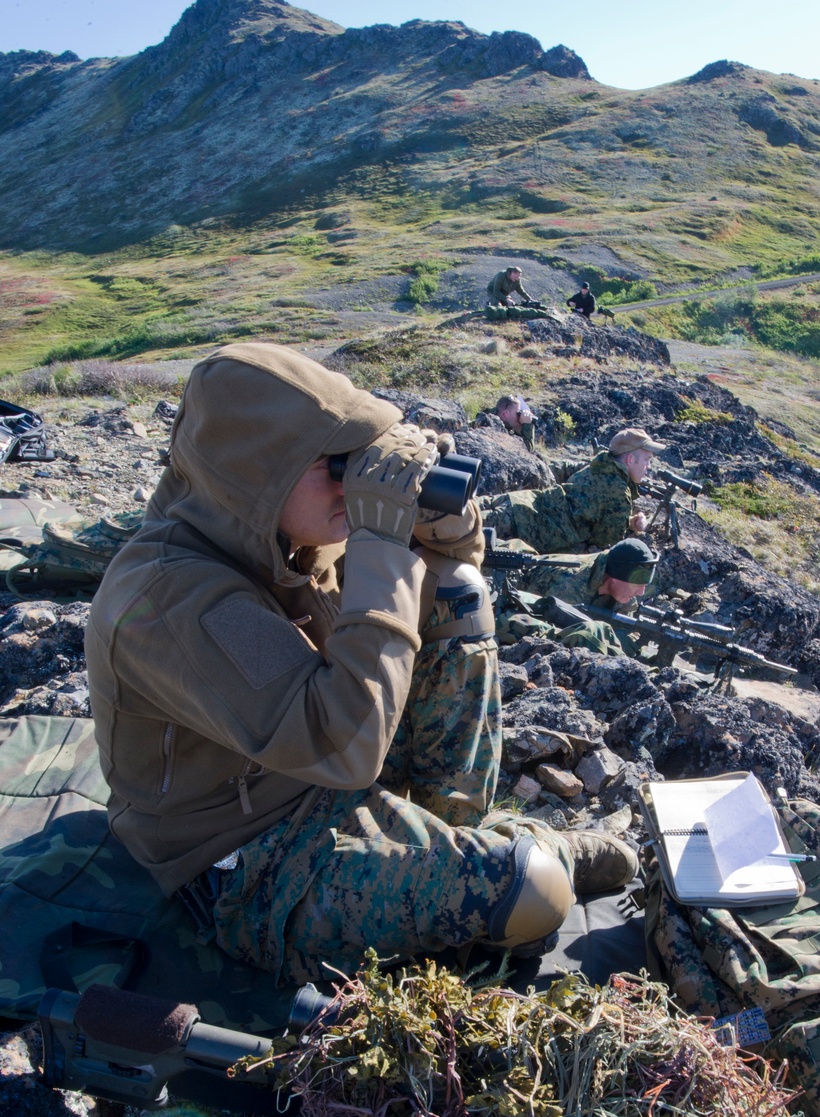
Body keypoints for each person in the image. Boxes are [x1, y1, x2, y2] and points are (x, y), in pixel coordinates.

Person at [84, 343, 637, 987]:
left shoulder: (285, 538)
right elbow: (343, 746)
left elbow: (441, 591)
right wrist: (377, 542)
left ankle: (454, 823)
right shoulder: (173, 598)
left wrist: (438, 528)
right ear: (257, 473)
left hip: (319, 771)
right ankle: (532, 851)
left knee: (454, 587)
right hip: (243, 857)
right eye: (336, 468)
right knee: (534, 892)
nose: (353, 488)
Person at [481, 427, 665, 554]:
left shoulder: (598, 465)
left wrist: (629, 521)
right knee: (457, 530)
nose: (649, 467)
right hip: (523, 525)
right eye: (647, 460)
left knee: (458, 508)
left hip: (519, 502)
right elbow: (604, 546)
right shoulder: (619, 492)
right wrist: (631, 527)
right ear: (630, 460)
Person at [496, 536, 659, 657]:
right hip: (506, 575)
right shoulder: (571, 584)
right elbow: (557, 636)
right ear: (615, 578)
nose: (641, 593)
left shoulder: (624, 591)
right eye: (638, 587)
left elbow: (623, 628)